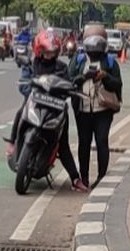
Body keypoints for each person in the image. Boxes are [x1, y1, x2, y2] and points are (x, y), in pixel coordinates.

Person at [8, 29, 88, 192]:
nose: (49, 55)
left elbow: (69, 83)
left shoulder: (61, 67)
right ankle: (12, 143)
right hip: (35, 102)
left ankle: (75, 178)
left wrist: (72, 87)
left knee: (62, 143)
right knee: (20, 113)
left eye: (52, 52)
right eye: (46, 51)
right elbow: (24, 83)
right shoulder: (32, 64)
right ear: (39, 50)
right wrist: (29, 89)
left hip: (55, 107)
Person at [70, 25, 123, 188]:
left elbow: (118, 84)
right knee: (84, 142)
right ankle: (84, 178)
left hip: (103, 109)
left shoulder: (110, 62)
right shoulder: (78, 60)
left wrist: (105, 76)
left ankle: (101, 176)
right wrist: (83, 76)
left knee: (101, 141)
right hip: (83, 108)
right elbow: (70, 80)